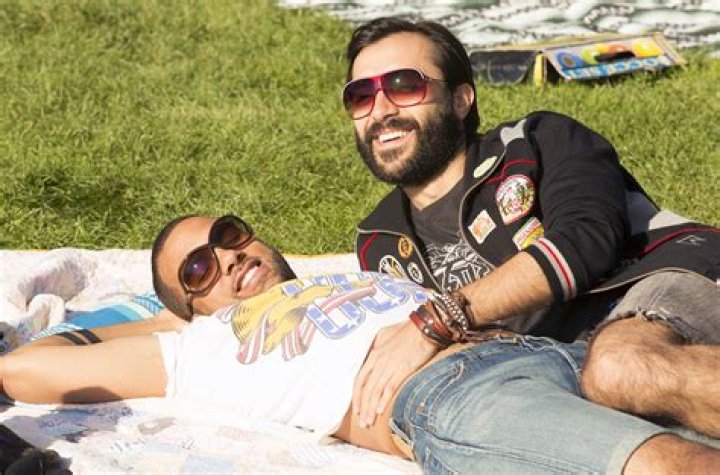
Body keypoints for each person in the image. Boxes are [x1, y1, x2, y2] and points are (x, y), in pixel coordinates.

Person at [2, 214, 718, 473]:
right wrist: (165, 320)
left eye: (228, 234)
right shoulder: (199, 346)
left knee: (656, 377)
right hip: (455, 394)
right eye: (198, 270)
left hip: (549, 351)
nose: (227, 257)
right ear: (187, 304)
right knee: (671, 464)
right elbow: (28, 369)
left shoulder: (353, 269)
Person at [345, 17, 720, 438]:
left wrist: (440, 319)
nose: (381, 110)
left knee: (622, 365)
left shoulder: (535, 141)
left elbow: (584, 243)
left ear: (460, 99)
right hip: (573, 364)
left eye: (404, 86)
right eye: (361, 97)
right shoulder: (378, 242)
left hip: (663, 278)